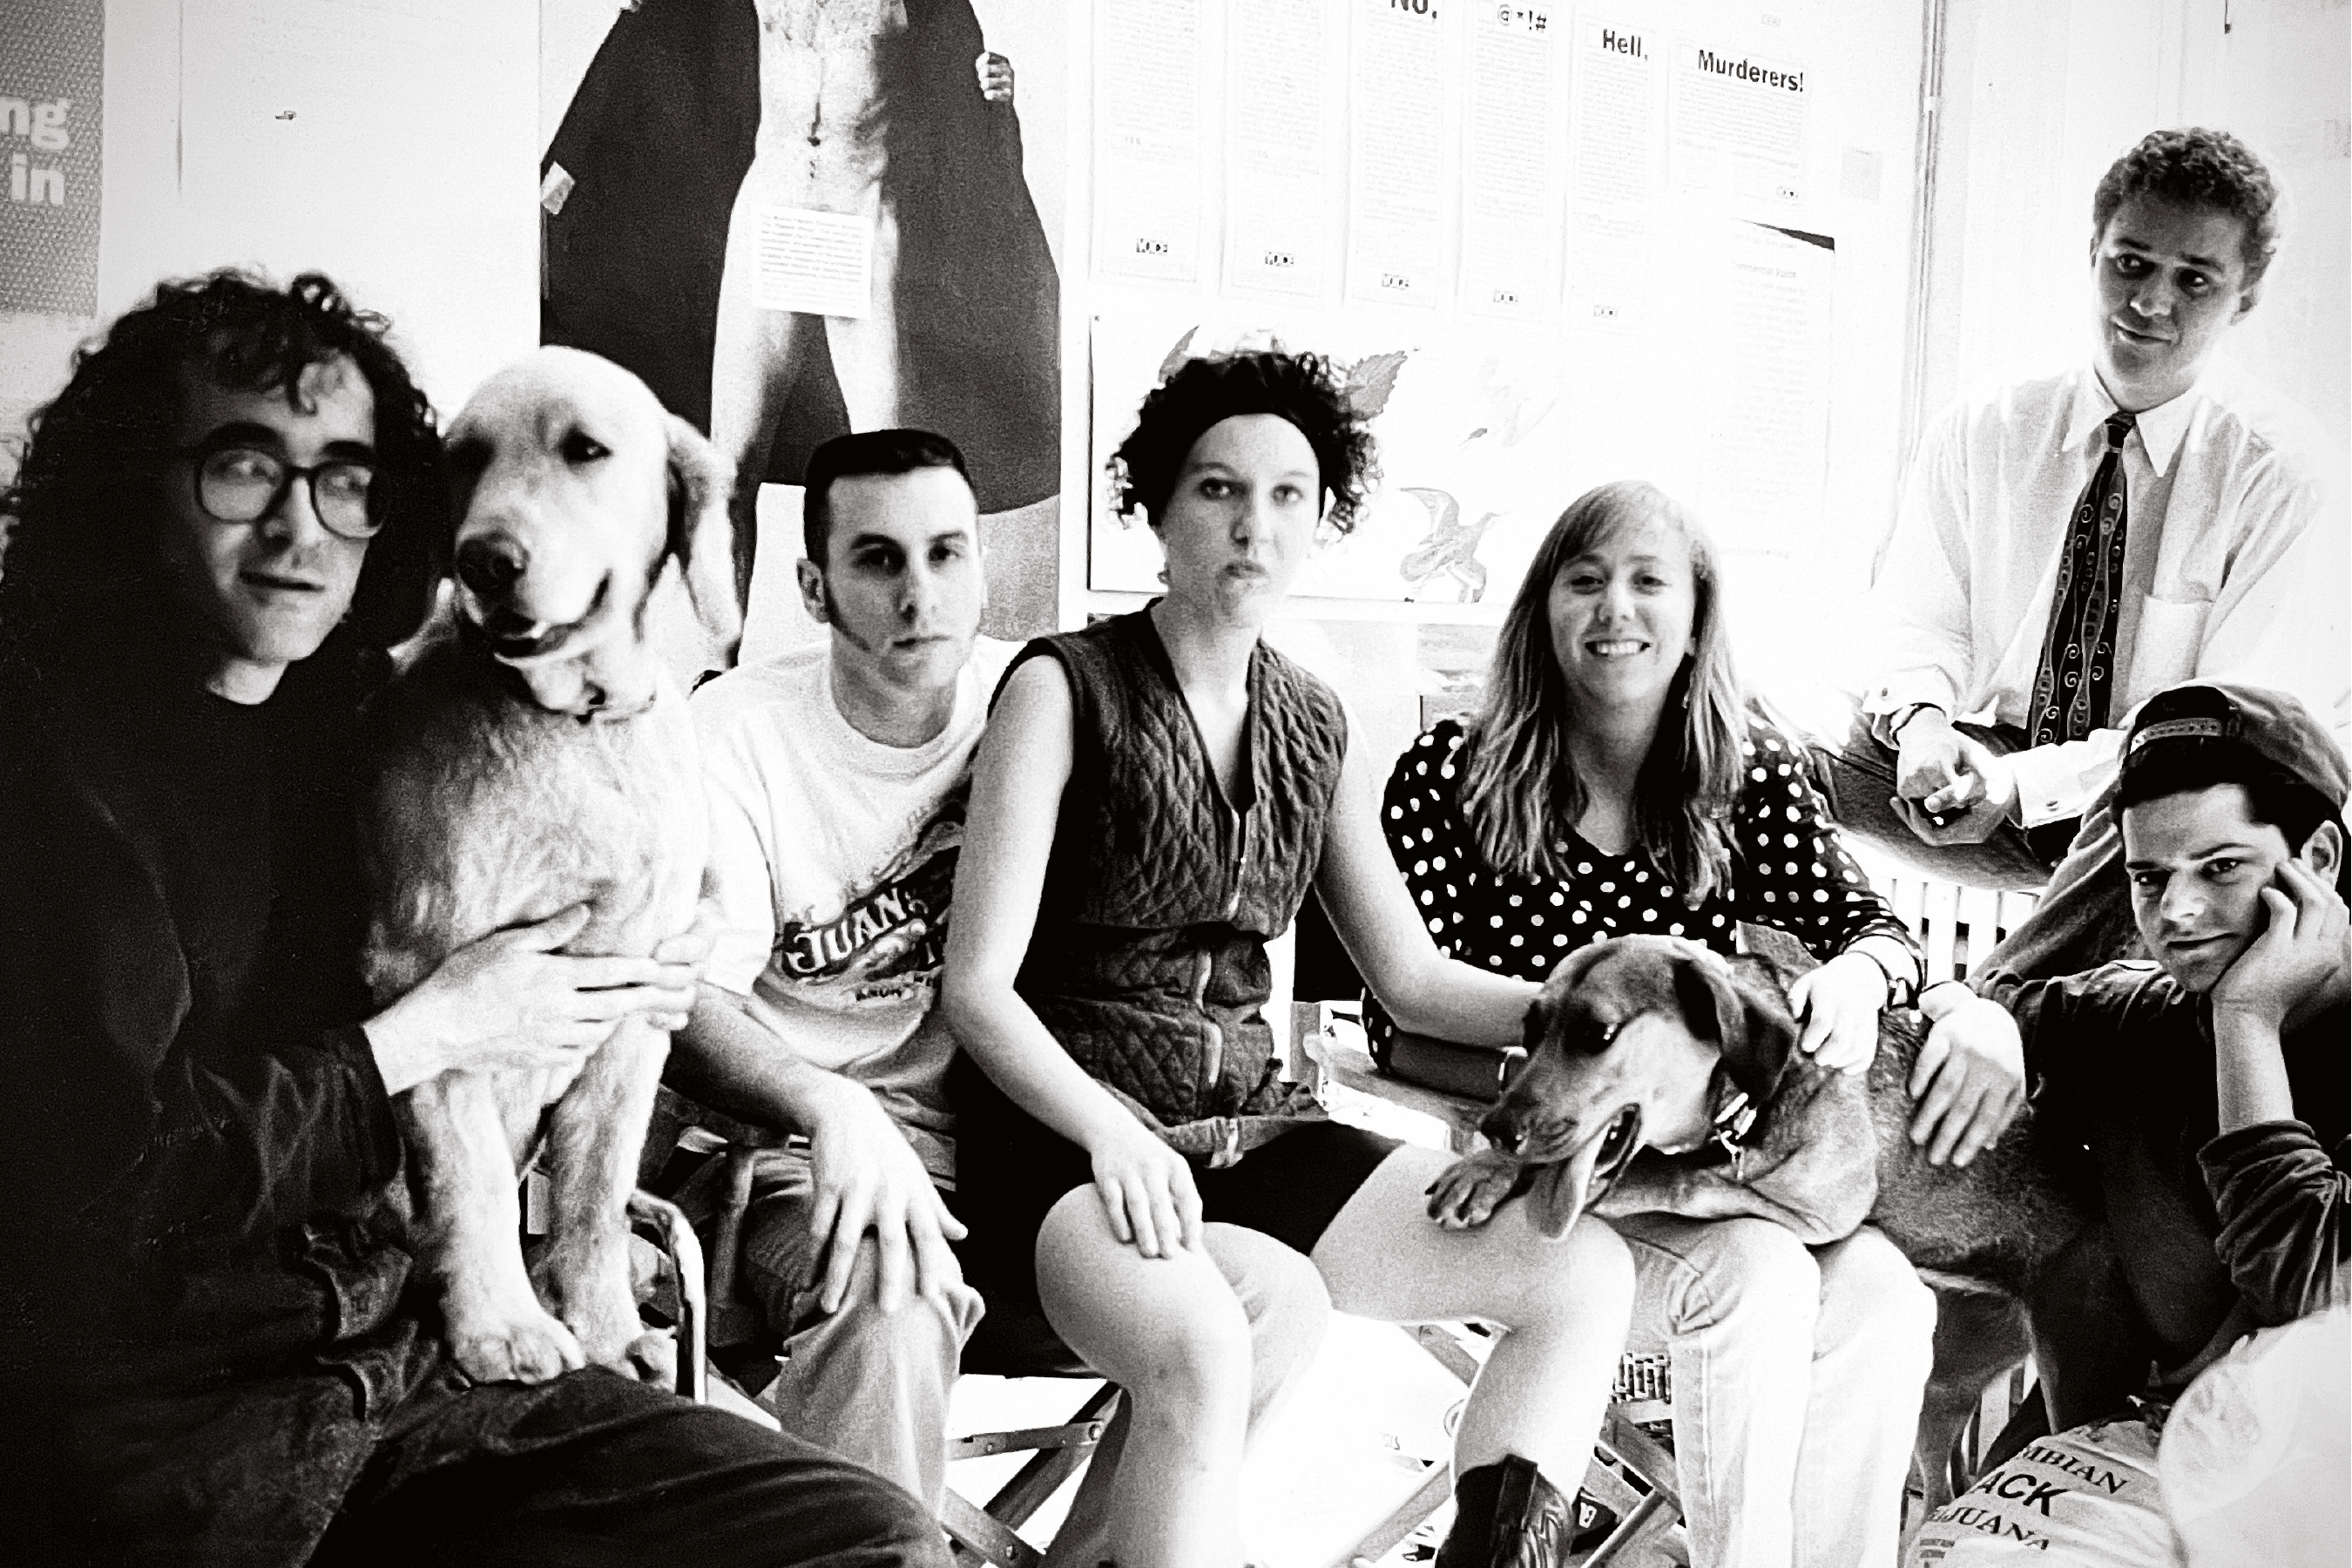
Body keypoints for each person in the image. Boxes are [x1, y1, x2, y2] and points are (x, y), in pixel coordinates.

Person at [0, 270, 946, 1567]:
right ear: (130, 483)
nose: (299, 527)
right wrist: (422, 1036)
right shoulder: (52, 774)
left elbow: (574, 988)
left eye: (344, 479)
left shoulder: (353, 711)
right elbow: (103, 1189)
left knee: (862, 1536)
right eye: (240, 468)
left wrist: (658, 980)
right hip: (173, 1421)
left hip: (394, 1352)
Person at [940, 350, 1638, 1568]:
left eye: (1288, 497)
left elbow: (1410, 978)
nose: (1252, 526)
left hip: (1247, 1132)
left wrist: (1600, 1016)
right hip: (1059, 1147)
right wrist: (1108, 1131)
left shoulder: (1318, 719)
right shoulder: (1061, 688)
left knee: (1577, 1272)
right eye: (1217, 490)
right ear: (1155, 510)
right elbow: (978, 990)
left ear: (1324, 522)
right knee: (1227, 1331)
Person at [668, 428, 1329, 1542]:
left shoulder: (1040, 697)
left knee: (1270, 1302)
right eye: (878, 560)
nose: (919, 593)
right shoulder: (737, 736)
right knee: (892, 1294)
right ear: (812, 584)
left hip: (1007, 1171)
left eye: (946, 554)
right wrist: (831, 1108)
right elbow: (689, 1005)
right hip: (794, 1165)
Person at [1373, 479, 1937, 1568]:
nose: (1615, 609)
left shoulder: (1749, 772)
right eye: (1584, 581)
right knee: (1765, 1281)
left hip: (1702, 1176)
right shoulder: (1452, 770)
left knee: (1885, 1295)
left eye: (1647, 583)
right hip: (1527, 1182)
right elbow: (1399, 1016)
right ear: (1541, 608)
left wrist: (1863, 981)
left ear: (1696, 616)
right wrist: (1574, 1049)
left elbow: (1877, 928)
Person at [1812, 126, 2349, 981]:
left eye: (2195, 281)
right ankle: (1798, 995)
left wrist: (2022, 785)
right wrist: (1923, 728)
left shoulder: (2282, 474)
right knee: (1754, 736)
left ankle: (1986, 1017)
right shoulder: (1986, 423)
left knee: (2170, 801)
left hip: (2161, 798)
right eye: (2130, 264)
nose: (2150, 304)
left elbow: (2215, 733)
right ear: (2093, 251)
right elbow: (1917, 616)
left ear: (2245, 297)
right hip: (1990, 770)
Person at [1902, 680, 2347, 1556]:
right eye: (2149, 878)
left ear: (2319, 860)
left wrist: (2247, 1025)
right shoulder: (2135, 1018)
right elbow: (1941, 1010)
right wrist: (1972, 1011)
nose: (2175, 915)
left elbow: (2311, 1297)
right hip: (2155, 1459)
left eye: (2221, 868)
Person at [706, 0, 1059, 612]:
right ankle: (717, 666)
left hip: (861, 213)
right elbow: (667, 39)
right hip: (774, 211)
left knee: (892, 479)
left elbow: (973, 120)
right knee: (728, 470)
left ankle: (887, 652)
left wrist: (999, 95)